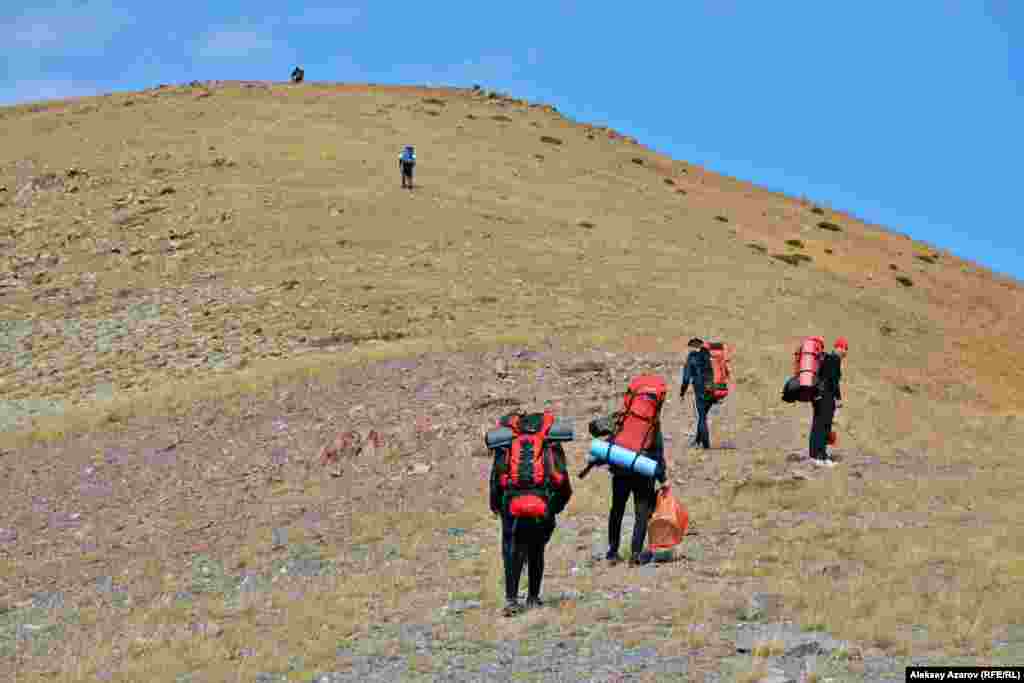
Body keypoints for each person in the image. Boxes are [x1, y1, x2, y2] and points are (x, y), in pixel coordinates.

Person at [489, 412, 573, 616]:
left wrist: (497, 507)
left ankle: (511, 600)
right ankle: (533, 598)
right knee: (536, 550)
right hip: (541, 501)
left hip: (512, 502)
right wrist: (553, 509)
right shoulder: (549, 442)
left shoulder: (506, 441)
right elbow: (562, 483)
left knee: (512, 550)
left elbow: (496, 479)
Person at [588, 407, 667, 567]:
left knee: (617, 510)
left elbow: (597, 430)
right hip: (643, 473)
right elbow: (658, 451)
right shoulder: (652, 422)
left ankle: (612, 552)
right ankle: (636, 554)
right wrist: (662, 477)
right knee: (642, 513)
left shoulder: (623, 416)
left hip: (621, 471)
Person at [809, 337, 847, 466]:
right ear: (837, 348)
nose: (845, 351)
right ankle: (822, 457)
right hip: (827, 397)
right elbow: (833, 381)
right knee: (824, 426)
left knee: (817, 425)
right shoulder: (835, 359)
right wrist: (839, 398)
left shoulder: (824, 358)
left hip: (816, 396)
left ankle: (814, 455)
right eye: (844, 348)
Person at [680, 337, 712, 449]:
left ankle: (706, 445)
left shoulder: (692, 357)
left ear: (693, 346)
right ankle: (698, 440)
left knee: (702, 417)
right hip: (714, 389)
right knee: (703, 415)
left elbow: (686, 378)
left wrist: (682, 392)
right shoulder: (709, 354)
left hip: (701, 390)